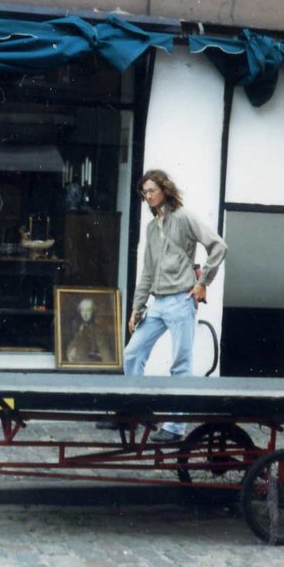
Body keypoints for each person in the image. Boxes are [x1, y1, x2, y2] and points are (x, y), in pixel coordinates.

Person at [112, 169, 227, 443]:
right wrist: (137, 308)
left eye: (151, 190)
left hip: (180, 301)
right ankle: (139, 409)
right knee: (132, 354)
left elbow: (218, 246)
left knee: (180, 364)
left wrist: (203, 283)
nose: (148, 196)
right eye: (145, 193)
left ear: (165, 188)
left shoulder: (184, 218)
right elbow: (148, 272)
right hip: (157, 303)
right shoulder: (152, 228)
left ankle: (174, 427)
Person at [66, 297, 114, 363]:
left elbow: (104, 352)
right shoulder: (76, 326)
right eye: (82, 310)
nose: (85, 314)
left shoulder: (98, 329)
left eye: (88, 310)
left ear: (93, 311)